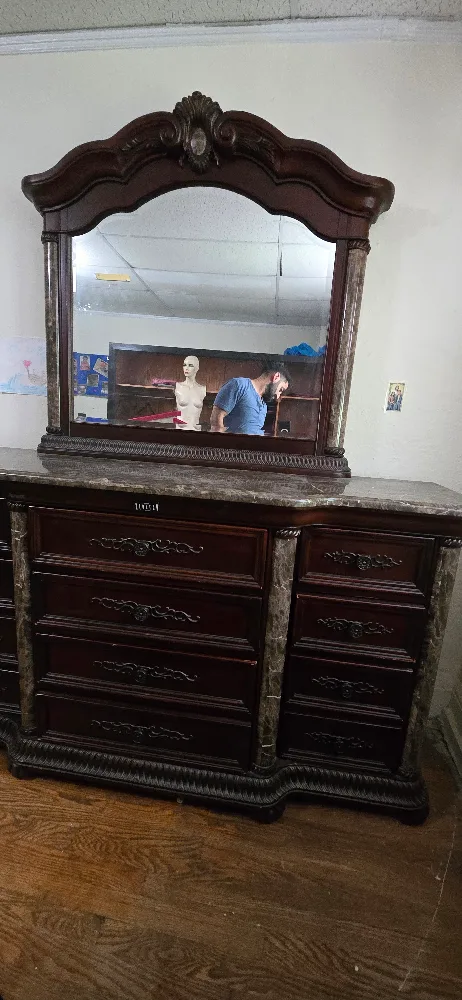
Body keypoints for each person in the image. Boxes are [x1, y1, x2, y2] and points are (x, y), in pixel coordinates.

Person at [211, 360, 290, 435]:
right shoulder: (239, 385)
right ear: (276, 377)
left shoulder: (264, 405)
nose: (278, 396)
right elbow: (216, 420)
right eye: (281, 389)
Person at [175, 356, 206, 431]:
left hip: (195, 431)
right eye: (184, 365)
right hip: (180, 430)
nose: (186, 368)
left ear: (197, 368)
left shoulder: (202, 389)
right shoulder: (178, 386)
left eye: (190, 365)